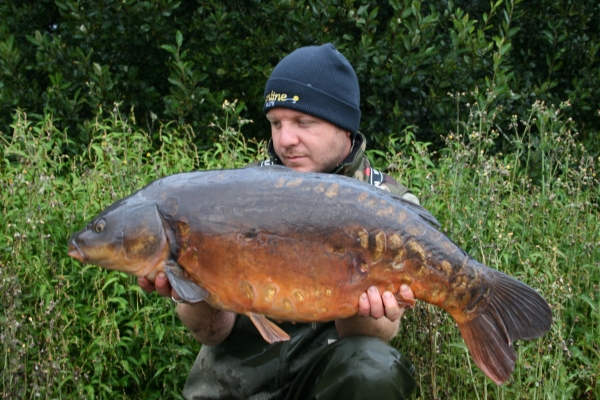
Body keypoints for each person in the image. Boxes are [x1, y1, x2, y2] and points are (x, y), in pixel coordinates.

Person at [138, 43, 420, 399]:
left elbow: (375, 335)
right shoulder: (235, 194)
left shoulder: (391, 207)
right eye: (276, 123)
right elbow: (211, 333)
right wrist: (193, 284)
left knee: (374, 367)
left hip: (326, 384)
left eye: (304, 122)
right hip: (233, 385)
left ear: (345, 127)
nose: (286, 140)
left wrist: (364, 308)